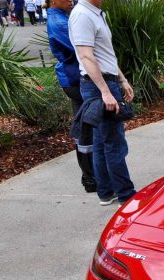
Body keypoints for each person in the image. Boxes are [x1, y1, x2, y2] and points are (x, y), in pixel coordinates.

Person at [69, 0, 137, 206]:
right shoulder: (82, 15)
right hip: (98, 86)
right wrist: (106, 92)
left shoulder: (96, 13)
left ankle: (106, 192)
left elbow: (105, 56)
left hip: (104, 82)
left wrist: (122, 79)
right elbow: (86, 56)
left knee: (101, 141)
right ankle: (126, 195)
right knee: (114, 142)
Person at [47, 0, 96, 192]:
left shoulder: (61, 17)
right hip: (74, 78)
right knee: (85, 126)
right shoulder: (58, 22)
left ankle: (91, 175)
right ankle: (90, 176)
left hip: (74, 76)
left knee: (85, 125)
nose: (71, 0)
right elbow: (81, 49)